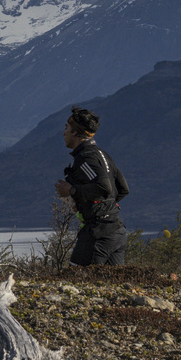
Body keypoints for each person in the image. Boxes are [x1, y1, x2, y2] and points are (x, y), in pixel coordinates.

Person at [54, 106, 129, 265]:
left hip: (98, 233)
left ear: (75, 132)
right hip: (117, 231)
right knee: (113, 280)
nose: (63, 133)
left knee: (77, 277)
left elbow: (104, 187)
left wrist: (71, 190)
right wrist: (89, 204)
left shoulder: (85, 158)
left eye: (66, 128)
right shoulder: (102, 154)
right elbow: (123, 189)